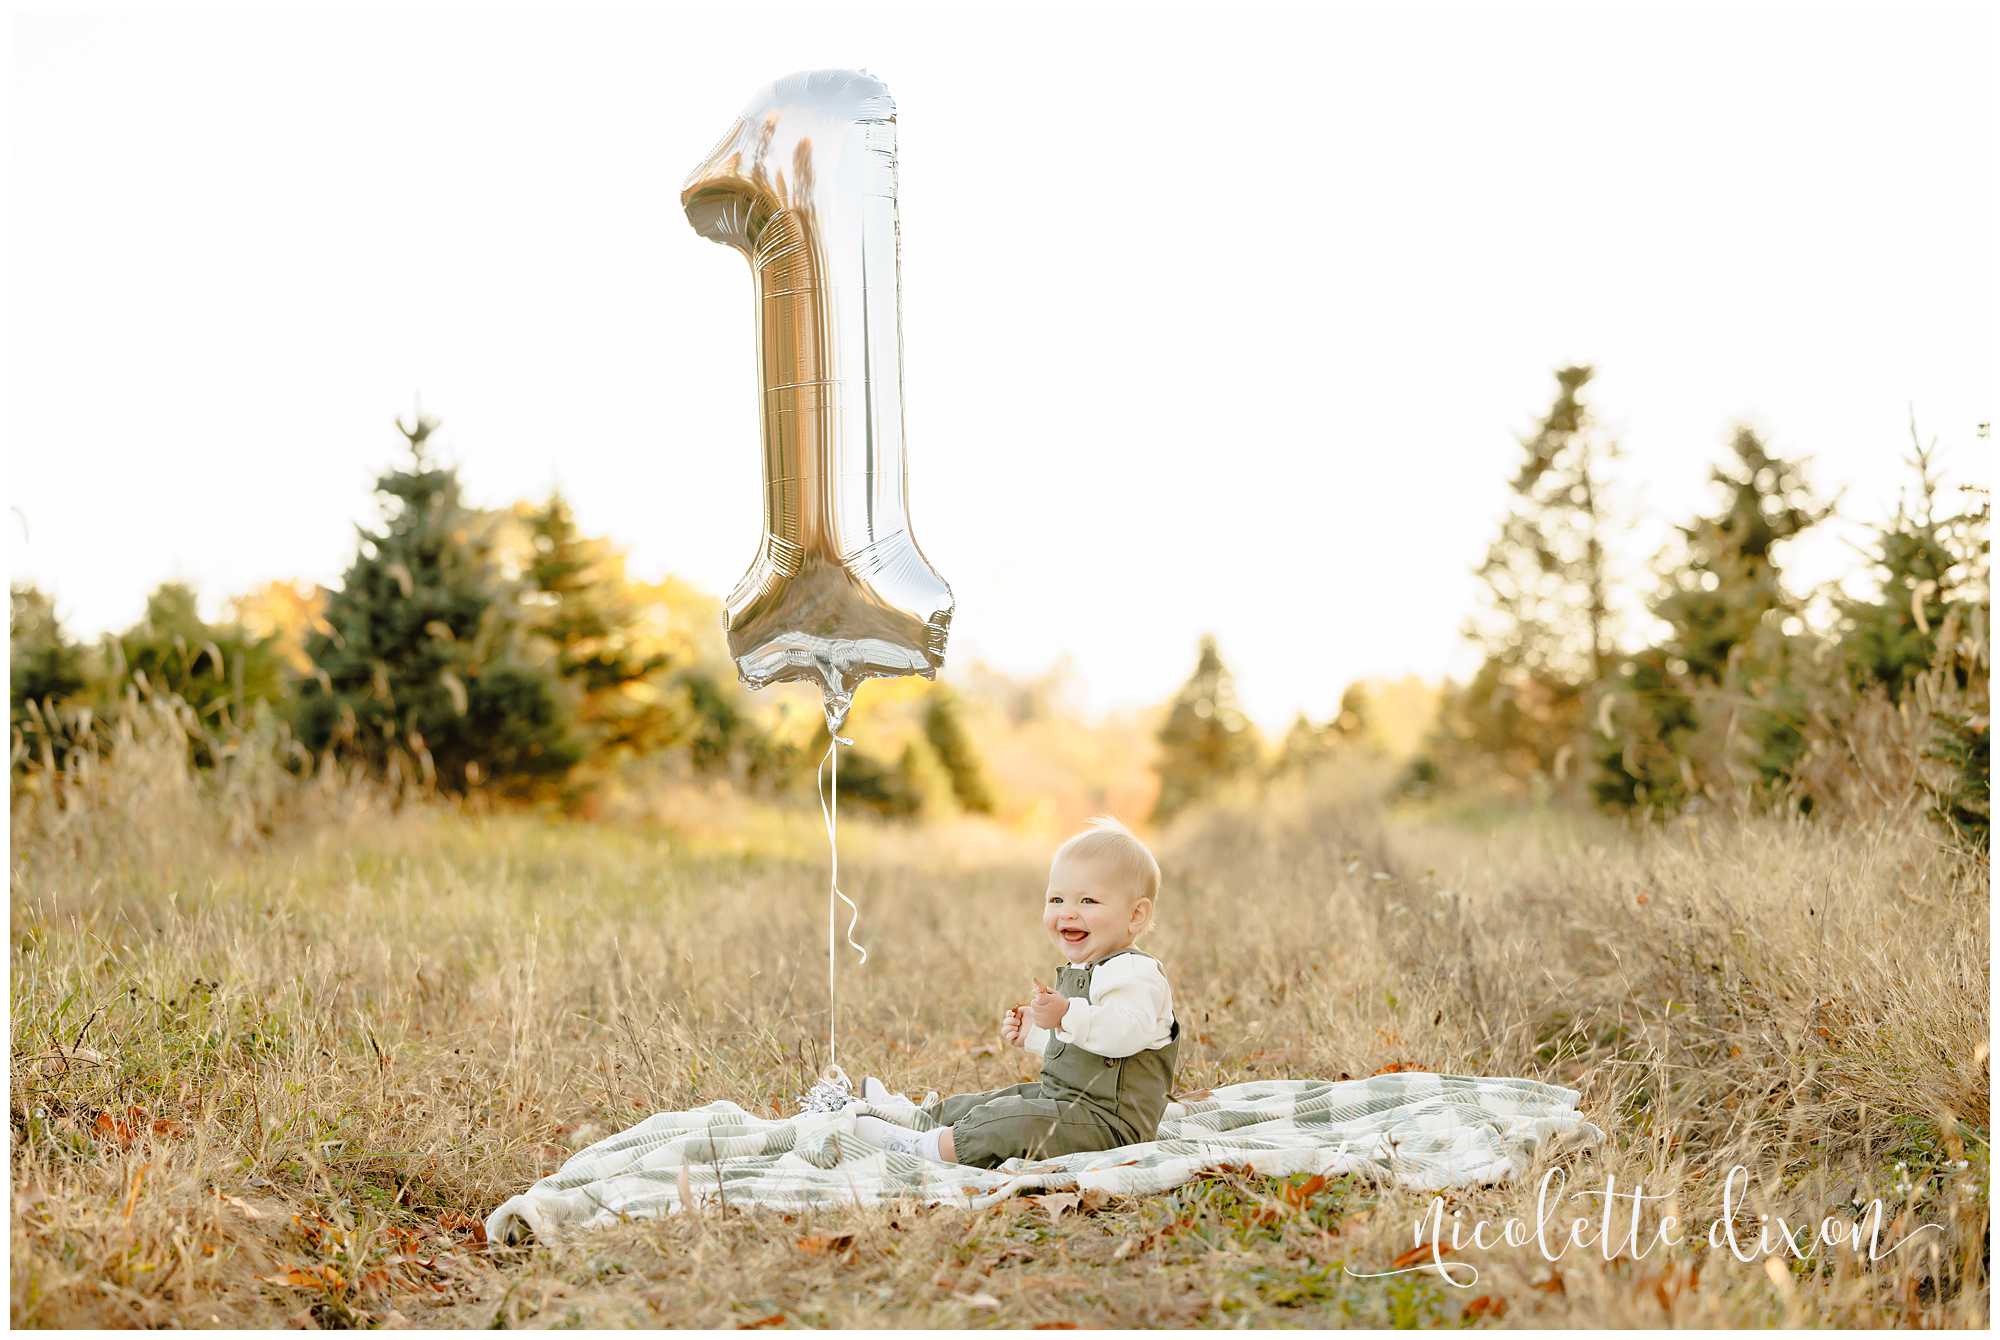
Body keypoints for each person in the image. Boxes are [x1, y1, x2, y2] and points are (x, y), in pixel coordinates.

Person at [854, 816, 1180, 1167]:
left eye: (1088, 901)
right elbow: (1079, 1051)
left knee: (1013, 1123)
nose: (1067, 912)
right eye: (1056, 899)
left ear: (1136, 915)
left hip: (1110, 1124)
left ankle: (923, 1149)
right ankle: (916, 1117)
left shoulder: (1137, 973)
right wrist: (1038, 1033)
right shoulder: (1082, 969)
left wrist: (1066, 1014)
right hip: (1065, 1101)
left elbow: (1124, 1034)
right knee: (996, 1103)